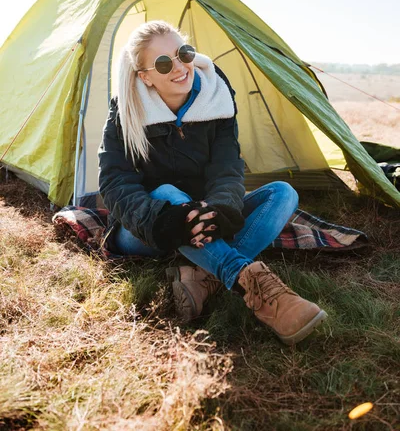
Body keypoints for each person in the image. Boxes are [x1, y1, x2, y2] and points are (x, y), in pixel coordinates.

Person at [98, 20, 327, 345]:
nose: (179, 67)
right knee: (167, 193)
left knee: (282, 193)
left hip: (203, 215)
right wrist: (161, 220)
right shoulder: (125, 110)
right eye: (164, 63)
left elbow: (227, 167)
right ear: (145, 76)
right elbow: (114, 182)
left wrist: (222, 208)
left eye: (184, 53)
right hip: (145, 226)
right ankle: (256, 288)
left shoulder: (216, 98)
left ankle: (203, 276)